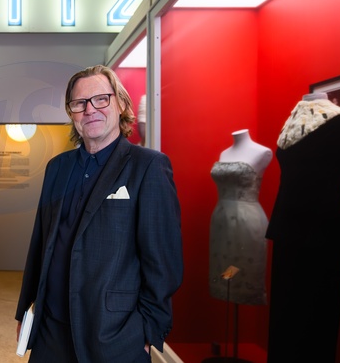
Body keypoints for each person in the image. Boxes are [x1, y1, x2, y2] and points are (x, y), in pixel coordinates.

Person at [15, 65, 183, 362]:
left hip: (113, 335)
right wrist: (25, 311)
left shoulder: (147, 166)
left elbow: (163, 263)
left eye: (101, 99)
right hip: (50, 331)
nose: (90, 109)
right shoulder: (57, 168)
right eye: (79, 103)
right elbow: (40, 245)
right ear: (72, 113)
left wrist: (147, 332)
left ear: (121, 104)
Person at [266, 93, 340, 363]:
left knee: (319, 314)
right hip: (287, 227)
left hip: (324, 228)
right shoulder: (293, 120)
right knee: (285, 313)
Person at [209, 129, 272, 305]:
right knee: (226, 273)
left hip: (246, 221)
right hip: (221, 220)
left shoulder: (262, 152)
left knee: (242, 268)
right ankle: (228, 287)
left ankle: (242, 292)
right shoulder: (224, 154)